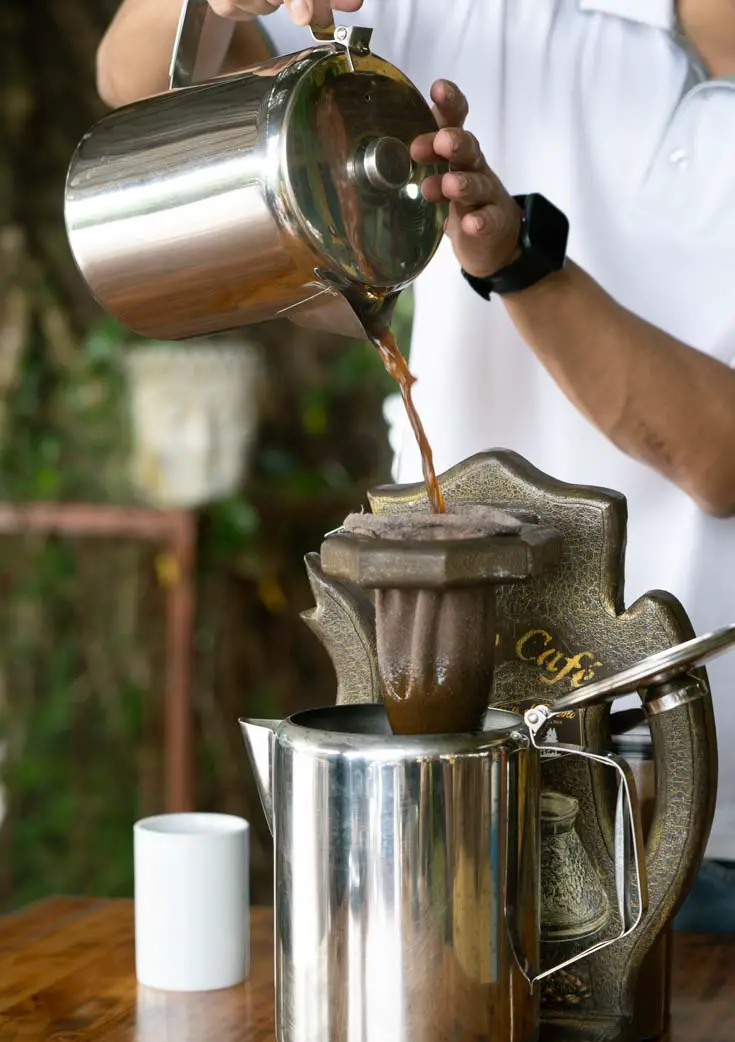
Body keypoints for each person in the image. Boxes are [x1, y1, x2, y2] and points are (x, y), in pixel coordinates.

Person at [96, 0, 735, 930]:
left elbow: (718, 458)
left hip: (701, 829)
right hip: (462, 802)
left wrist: (518, 262)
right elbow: (140, 81)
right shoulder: (475, 11)